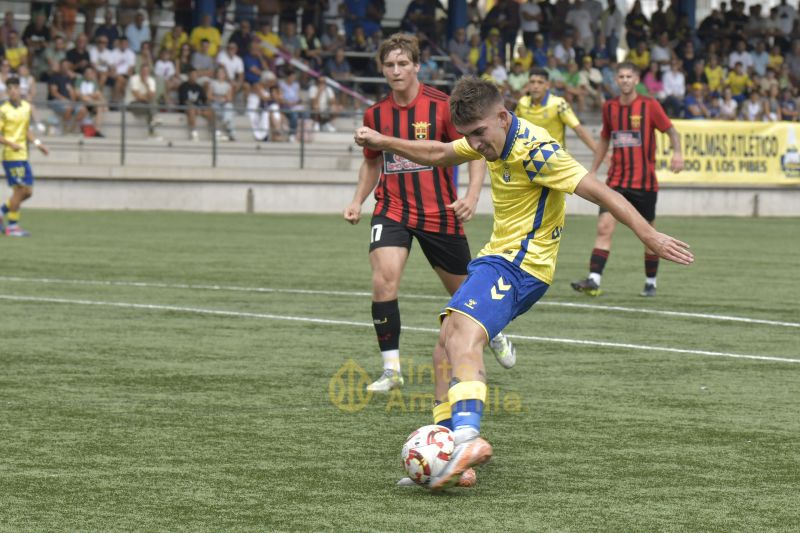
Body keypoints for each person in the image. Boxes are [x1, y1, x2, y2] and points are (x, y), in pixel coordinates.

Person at [354, 76, 694, 490]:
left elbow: (602, 193)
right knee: (444, 342)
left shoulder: (539, 151)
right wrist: (386, 141)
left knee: (463, 336)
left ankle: (465, 437)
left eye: (480, 134)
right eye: (470, 136)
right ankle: (448, 458)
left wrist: (649, 235)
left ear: (502, 116)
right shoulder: (492, 138)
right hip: (497, 257)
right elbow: (441, 152)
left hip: (523, 266)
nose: (476, 145)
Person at [342, 34, 516, 399]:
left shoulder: (441, 107)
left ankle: (494, 330)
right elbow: (372, 164)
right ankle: (391, 369)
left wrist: (470, 195)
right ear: (382, 69)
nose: (396, 71)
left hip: (440, 212)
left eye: (403, 63)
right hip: (392, 210)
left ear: (417, 66)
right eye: (389, 65)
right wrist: (358, 200)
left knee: (466, 295)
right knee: (383, 281)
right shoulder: (375, 115)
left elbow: (477, 150)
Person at [571, 62, 684, 298]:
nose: (624, 80)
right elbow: (604, 140)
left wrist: (677, 153)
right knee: (604, 227)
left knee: (649, 234)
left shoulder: (649, 105)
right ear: (616, 80)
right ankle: (593, 279)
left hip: (644, 184)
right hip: (616, 182)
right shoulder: (609, 107)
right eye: (620, 76)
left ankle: (650, 282)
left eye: (628, 76)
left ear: (636, 80)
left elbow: (671, 131)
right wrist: (593, 169)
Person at [0, 77, 49, 237]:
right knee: (20, 190)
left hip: (23, 155)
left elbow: (26, 129)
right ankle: (13, 227)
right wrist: (10, 144)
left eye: (16, 87)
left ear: (20, 89)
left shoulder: (26, 107)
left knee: (28, 192)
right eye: (10, 88)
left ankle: (2, 211)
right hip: (11, 155)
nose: (14, 90)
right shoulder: (3, 110)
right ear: (7, 92)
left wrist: (37, 143)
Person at [515, 67, 603, 155]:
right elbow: (513, 130)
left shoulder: (559, 104)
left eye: (540, 82)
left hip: (556, 160)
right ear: (528, 85)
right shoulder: (522, 103)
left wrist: (600, 153)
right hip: (530, 159)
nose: (535, 86)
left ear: (547, 85)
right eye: (532, 82)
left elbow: (579, 130)